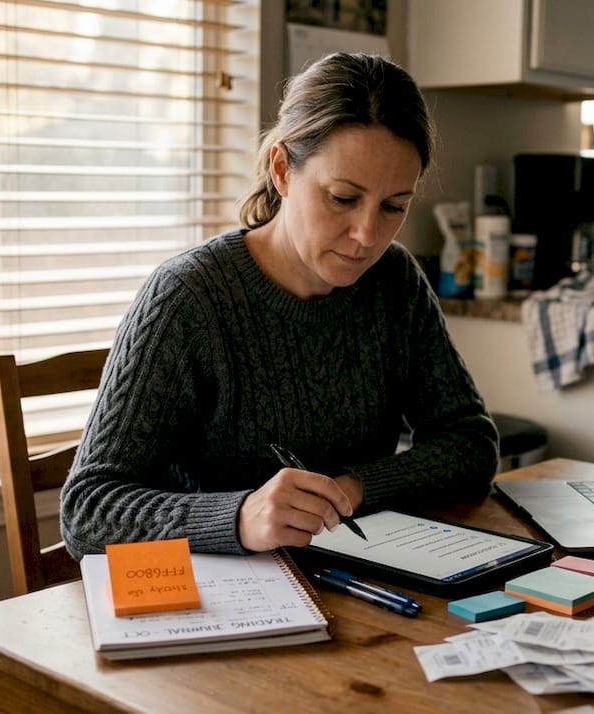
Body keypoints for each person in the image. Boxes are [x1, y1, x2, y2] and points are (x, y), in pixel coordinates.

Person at [60, 52, 498, 557]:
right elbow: (87, 511)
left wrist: (351, 489)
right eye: (341, 197)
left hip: (359, 583)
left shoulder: (395, 281)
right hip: (223, 605)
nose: (366, 235)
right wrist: (238, 518)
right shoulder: (187, 299)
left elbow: (471, 445)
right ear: (283, 169)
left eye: (394, 206)